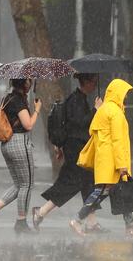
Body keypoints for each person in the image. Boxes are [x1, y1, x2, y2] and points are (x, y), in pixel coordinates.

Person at [69, 78, 133, 237]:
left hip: (105, 160)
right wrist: (122, 165)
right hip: (114, 162)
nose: (126, 97)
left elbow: (93, 132)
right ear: (118, 93)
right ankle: (77, 219)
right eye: (125, 93)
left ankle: (131, 227)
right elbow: (117, 141)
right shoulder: (115, 113)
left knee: (123, 191)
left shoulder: (104, 109)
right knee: (103, 192)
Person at [32, 73, 104, 232]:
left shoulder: (80, 99)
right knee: (71, 184)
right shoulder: (75, 100)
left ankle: (91, 223)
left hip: (78, 149)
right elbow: (80, 124)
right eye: (93, 82)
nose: (94, 85)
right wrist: (96, 110)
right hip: (75, 150)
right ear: (85, 82)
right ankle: (40, 212)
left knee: (87, 184)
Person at [0, 78, 42, 234]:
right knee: (27, 185)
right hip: (19, 143)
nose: (31, 83)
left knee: (18, 184)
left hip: (6, 144)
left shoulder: (7, 98)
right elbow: (28, 124)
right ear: (24, 83)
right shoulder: (18, 101)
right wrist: (37, 110)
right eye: (29, 81)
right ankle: (21, 222)